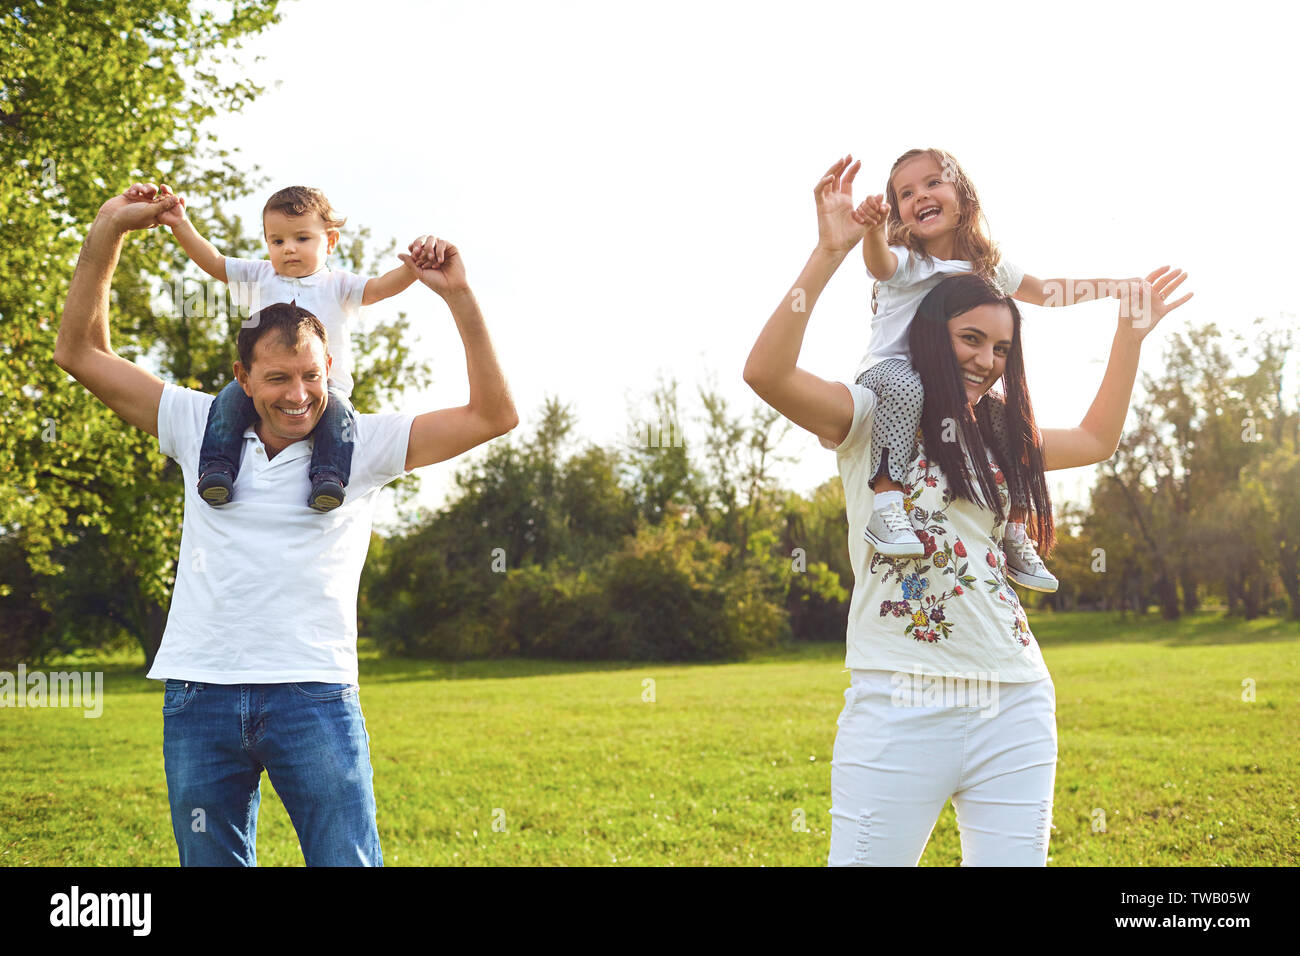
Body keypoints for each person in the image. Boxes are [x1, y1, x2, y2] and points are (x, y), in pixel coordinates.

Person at [743, 157, 1190, 866]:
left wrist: (1128, 334)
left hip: (1015, 699)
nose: (987, 361)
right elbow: (765, 373)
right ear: (931, 336)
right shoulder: (870, 414)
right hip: (899, 701)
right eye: (970, 341)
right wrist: (828, 252)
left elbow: (1098, 439)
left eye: (1001, 348)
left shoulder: (1002, 435)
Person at [54, 183, 518, 866]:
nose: (298, 395)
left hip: (314, 694)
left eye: (310, 376)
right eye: (276, 379)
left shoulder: (362, 445)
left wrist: (458, 296)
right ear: (242, 377)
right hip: (201, 692)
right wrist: (106, 233)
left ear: (330, 367)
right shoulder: (195, 425)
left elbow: (493, 416)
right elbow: (79, 353)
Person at [851, 148, 1139, 593]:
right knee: (906, 387)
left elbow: (1046, 292)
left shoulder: (986, 269)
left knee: (1011, 419)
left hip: (949, 391)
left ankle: (1016, 531)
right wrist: (871, 231)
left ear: (964, 199)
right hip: (889, 380)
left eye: (932, 183)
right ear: (899, 213)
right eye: (905, 193)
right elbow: (879, 264)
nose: (919, 196)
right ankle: (887, 503)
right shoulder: (907, 261)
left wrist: (1115, 288)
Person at [140, 182, 418, 511]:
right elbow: (213, 262)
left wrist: (411, 270)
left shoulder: (339, 284)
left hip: (325, 387)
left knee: (340, 420)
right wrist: (180, 224)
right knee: (226, 404)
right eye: (277, 240)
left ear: (330, 241)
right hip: (263, 383)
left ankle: (328, 478)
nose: (288, 249)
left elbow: (379, 288)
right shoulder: (260, 275)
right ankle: (217, 469)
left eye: (302, 238)